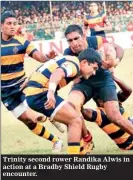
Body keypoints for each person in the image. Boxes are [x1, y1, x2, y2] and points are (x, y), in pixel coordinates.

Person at [1, 10, 63, 152]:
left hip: (22, 86)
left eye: (15, 24)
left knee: (33, 115)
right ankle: (56, 141)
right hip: (5, 92)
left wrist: (47, 57)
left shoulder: (23, 42)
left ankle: (47, 115)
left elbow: (39, 57)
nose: (12, 26)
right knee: (27, 120)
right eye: (9, 23)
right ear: (1, 26)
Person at [23, 48, 102, 154]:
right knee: (75, 120)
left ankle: (82, 151)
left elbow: (44, 68)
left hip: (35, 92)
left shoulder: (68, 59)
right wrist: (51, 92)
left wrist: (26, 84)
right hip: (40, 94)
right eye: (94, 68)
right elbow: (58, 72)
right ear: (84, 62)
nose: (94, 72)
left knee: (74, 116)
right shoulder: (75, 66)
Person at [64, 24, 133, 143]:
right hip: (84, 83)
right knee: (71, 108)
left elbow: (118, 48)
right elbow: (68, 74)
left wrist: (115, 61)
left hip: (104, 80)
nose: (74, 43)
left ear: (84, 36)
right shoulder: (68, 53)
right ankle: (84, 142)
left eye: (76, 38)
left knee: (114, 116)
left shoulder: (97, 41)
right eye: (70, 40)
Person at [82, 72, 133, 150]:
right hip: (130, 145)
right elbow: (82, 112)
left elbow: (128, 91)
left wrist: (113, 78)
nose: (113, 95)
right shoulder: (99, 115)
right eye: (110, 94)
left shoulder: (115, 102)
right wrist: (80, 94)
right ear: (100, 101)